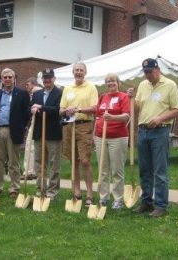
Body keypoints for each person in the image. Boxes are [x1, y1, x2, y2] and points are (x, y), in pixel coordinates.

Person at [128, 58, 178, 217]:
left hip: (160, 131)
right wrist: (132, 98)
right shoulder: (143, 85)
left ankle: (161, 205)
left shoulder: (170, 85)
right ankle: (146, 201)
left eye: (150, 72)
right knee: (145, 169)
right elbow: (138, 107)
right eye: (145, 73)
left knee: (160, 170)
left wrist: (160, 118)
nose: (148, 76)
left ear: (157, 69)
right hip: (143, 131)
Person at [60, 62, 98, 207]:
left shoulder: (91, 87)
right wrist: (67, 110)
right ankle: (76, 191)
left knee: (85, 160)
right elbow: (60, 109)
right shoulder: (68, 88)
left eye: (81, 70)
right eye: (76, 70)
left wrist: (79, 110)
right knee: (73, 160)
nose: (78, 72)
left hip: (84, 126)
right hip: (69, 126)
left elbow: (95, 108)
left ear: (85, 72)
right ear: (73, 72)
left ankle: (89, 193)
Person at [0, 68, 30, 198]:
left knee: (14, 161)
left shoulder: (22, 94)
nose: (7, 79)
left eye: (10, 77)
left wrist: (22, 127)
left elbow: (27, 113)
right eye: (5, 77)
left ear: (14, 79)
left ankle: (14, 188)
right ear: (2, 79)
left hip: (14, 130)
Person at [94, 73, 130, 209]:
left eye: (113, 81)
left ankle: (118, 199)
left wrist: (112, 118)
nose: (111, 83)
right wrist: (94, 134)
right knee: (103, 169)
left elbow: (127, 116)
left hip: (118, 137)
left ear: (118, 83)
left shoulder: (123, 97)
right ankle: (103, 197)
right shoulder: (102, 97)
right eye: (108, 81)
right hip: (100, 136)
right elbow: (98, 117)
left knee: (117, 170)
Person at [31, 68, 62, 200]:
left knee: (54, 163)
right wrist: (32, 109)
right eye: (45, 78)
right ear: (42, 80)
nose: (47, 80)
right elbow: (31, 107)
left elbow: (58, 110)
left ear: (54, 79)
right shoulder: (37, 94)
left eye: (49, 78)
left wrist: (42, 107)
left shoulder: (59, 93)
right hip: (39, 132)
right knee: (39, 163)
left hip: (53, 133)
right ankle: (40, 189)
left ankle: (52, 191)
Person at [22, 77, 43, 180]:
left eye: (28, 84)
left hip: (37, 123)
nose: (26, 87)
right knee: (32, 147)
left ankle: (29, 171)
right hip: (33, 122)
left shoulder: (36, 91)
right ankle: (31, 170)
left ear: (33, 84)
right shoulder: (32, 94)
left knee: (30, 147)